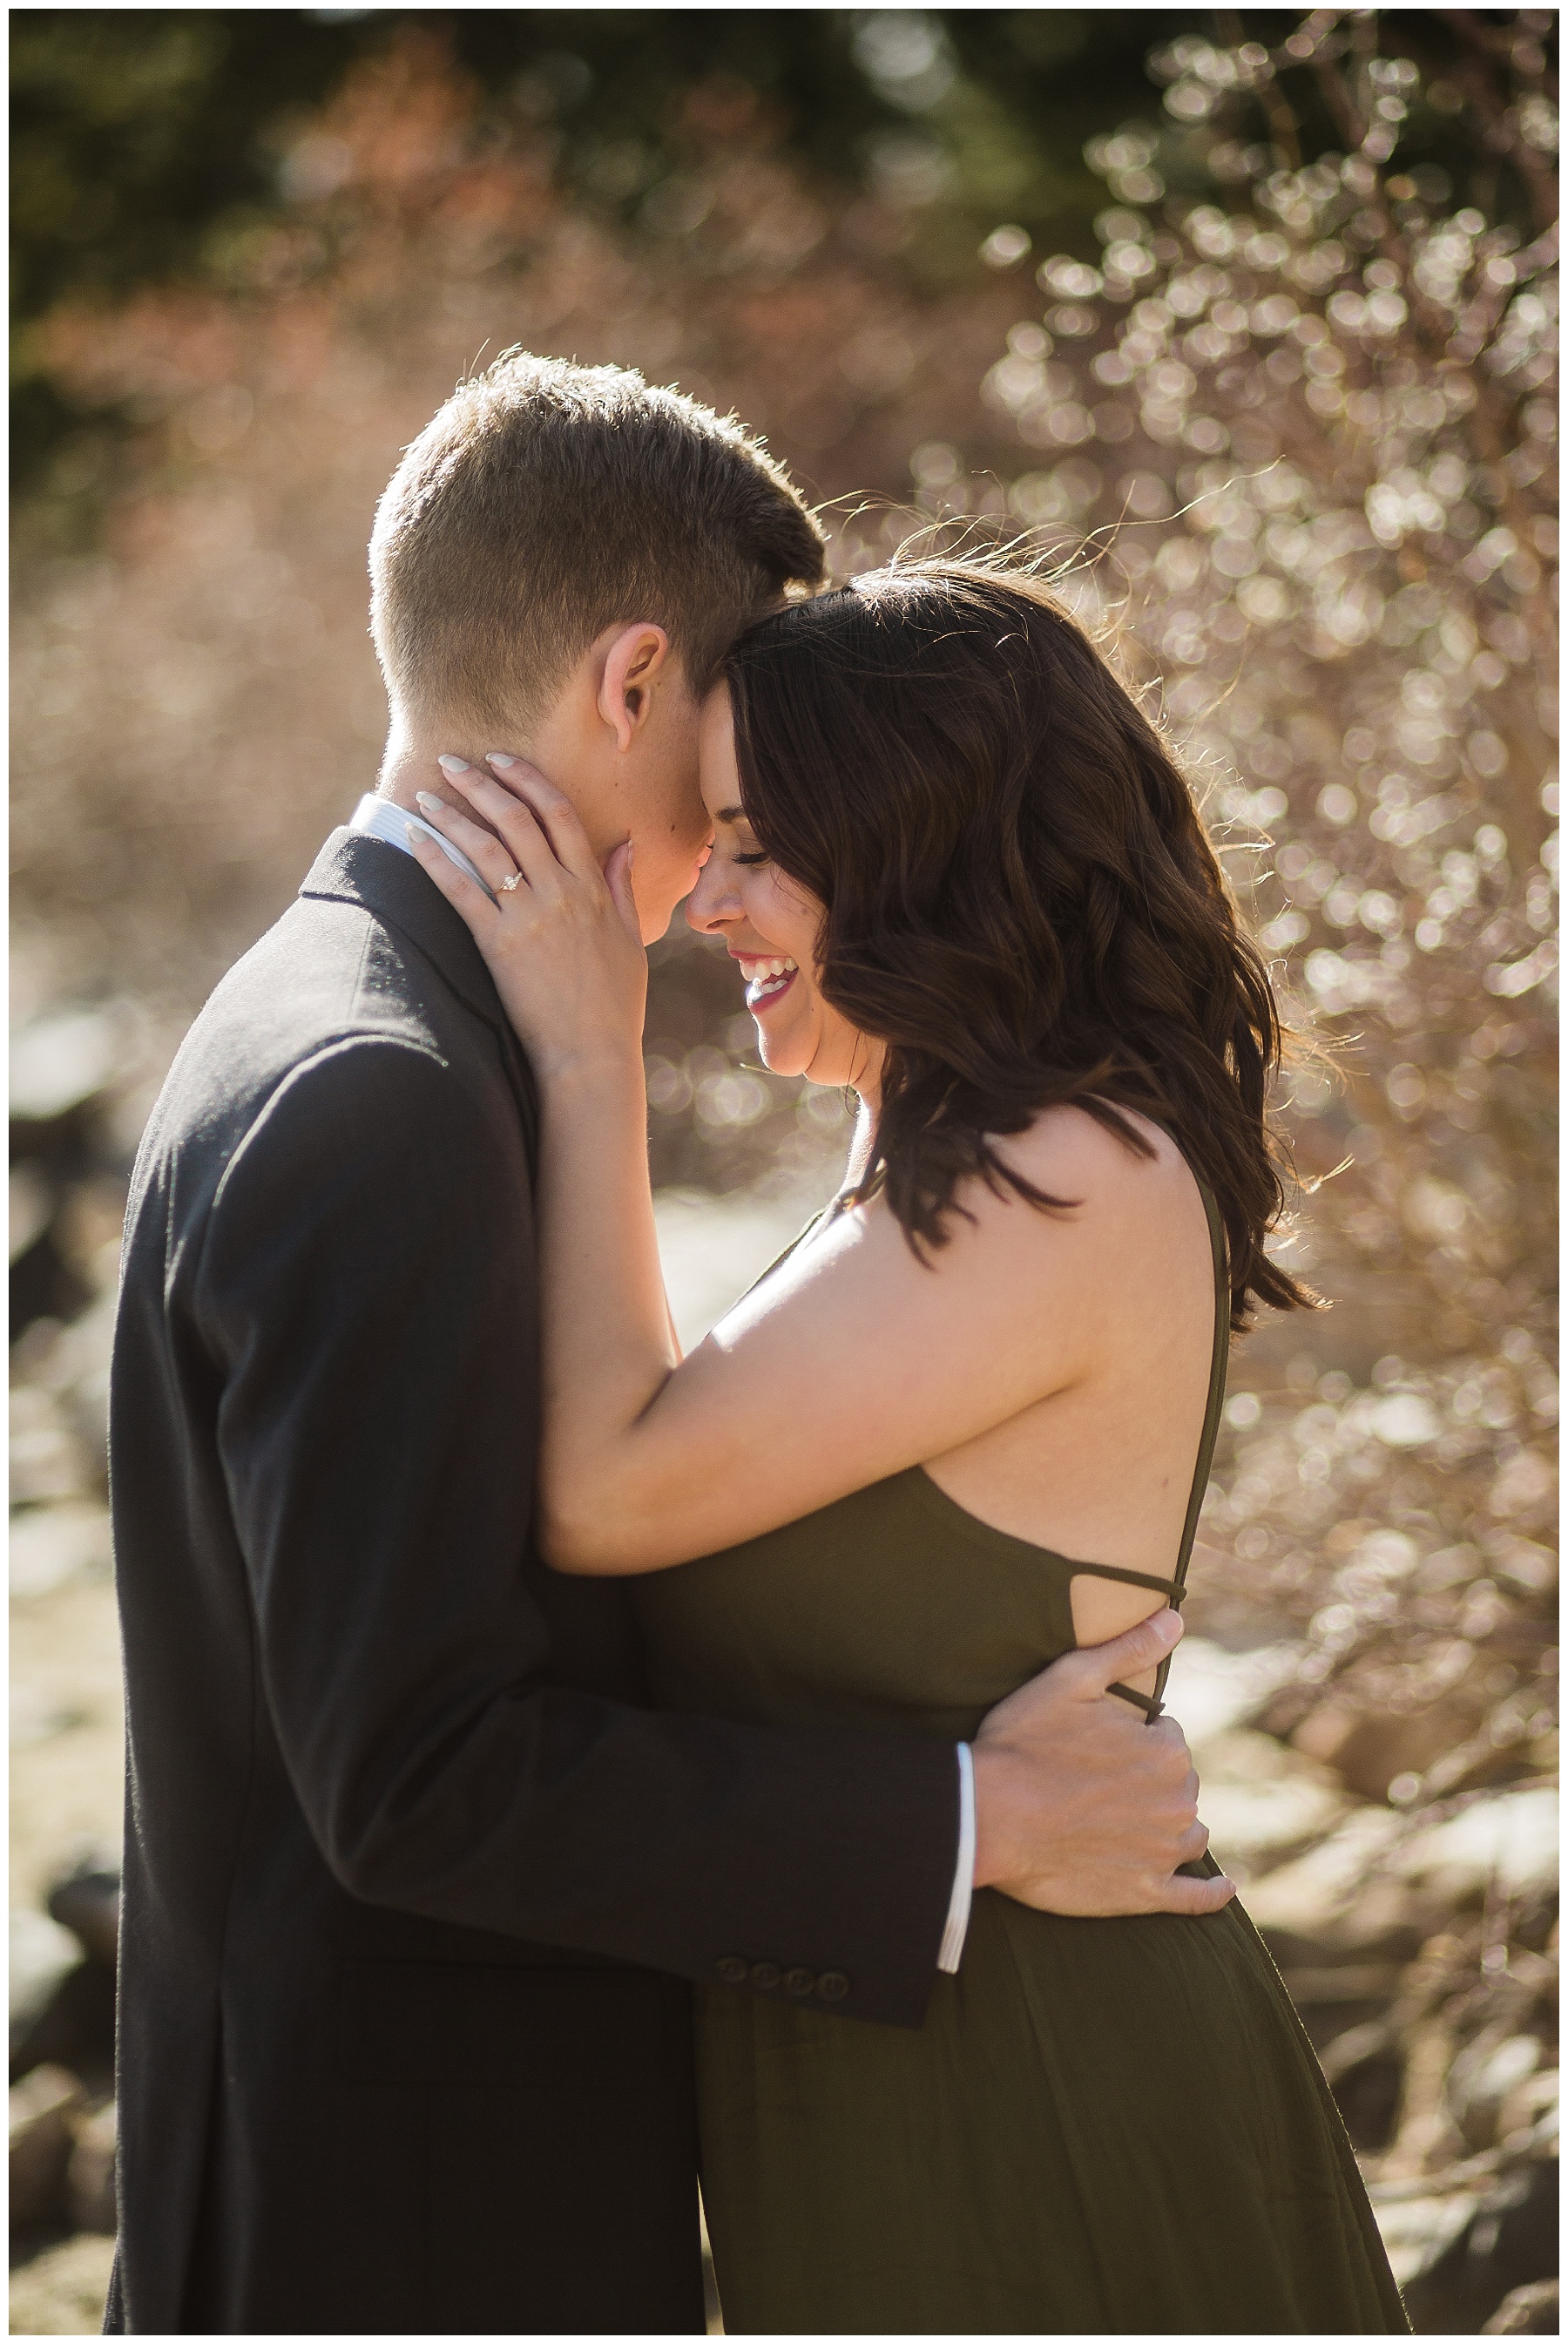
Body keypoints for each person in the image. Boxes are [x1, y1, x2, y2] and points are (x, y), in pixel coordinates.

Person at [106, 357, 1225, 2336]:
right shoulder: (385, 1087)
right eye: (724, 786)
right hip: (416, 2230)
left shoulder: (345, 1018)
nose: (719, 873)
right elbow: (420, 1774)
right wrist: (963, 1819)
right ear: (630, 683)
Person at [411, 554, 1411, 2335]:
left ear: (920, 848)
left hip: (1045, 2092)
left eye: (755, 841)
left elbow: (612, 1485)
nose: (704, 898)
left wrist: (585, 1048)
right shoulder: (922, 1153)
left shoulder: (1069, 1172)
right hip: (888, 2054)